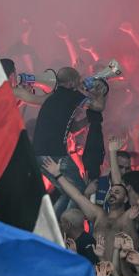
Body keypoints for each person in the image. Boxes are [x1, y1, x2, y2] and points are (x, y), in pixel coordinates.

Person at [32, 67, 107, 214]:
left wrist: (88, 120)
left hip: (41, 154)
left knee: (67, 191)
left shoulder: (56, 97)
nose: (81, 82)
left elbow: (73, 128)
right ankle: (68, 224)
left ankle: (59, 227)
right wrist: (99, 93)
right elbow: (98, 106)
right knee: (78, 189)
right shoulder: (71, 95)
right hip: (54, 154)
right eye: (78, 79)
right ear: (71, 83)